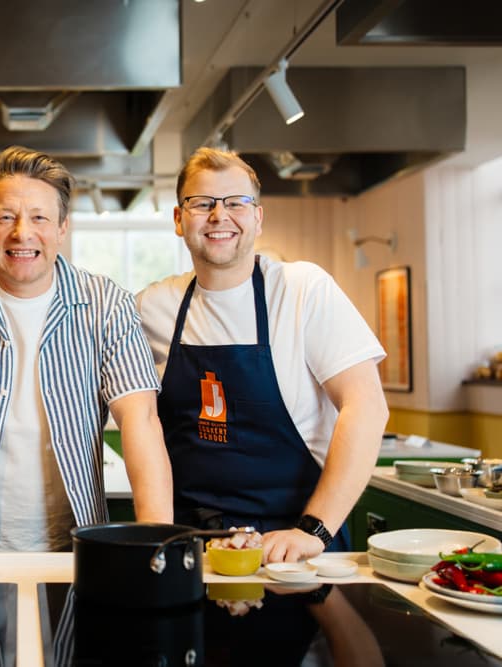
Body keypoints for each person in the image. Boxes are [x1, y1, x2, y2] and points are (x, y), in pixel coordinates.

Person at [0, 145, 174, 566]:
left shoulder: (108, 305)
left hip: (79, 547)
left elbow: (141, 422)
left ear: (62, 228)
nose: (22, 233)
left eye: (39, 217)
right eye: (6, 217)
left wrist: (156, 546)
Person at [135, 147, 388, 562]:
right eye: (202, 203)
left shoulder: (302, 290)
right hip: (191, 551)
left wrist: (315, 529)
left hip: (294, 547)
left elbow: (366, 406)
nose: (219, 216)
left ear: (258, 217)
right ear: (179, 221)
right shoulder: (153, 306)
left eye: (236, 202)